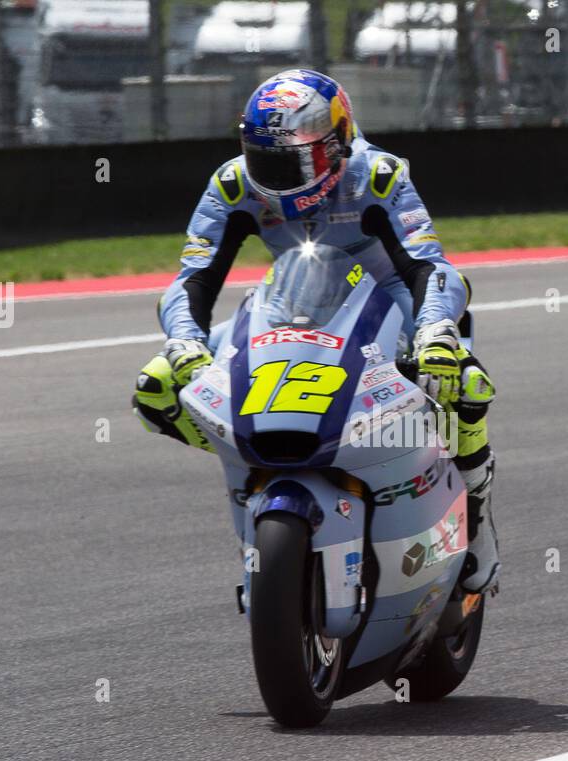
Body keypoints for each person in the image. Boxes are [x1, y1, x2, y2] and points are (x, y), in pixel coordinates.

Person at [131, 69, 500, 594]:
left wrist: (436, 331)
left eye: (302, 161)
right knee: (155, 390)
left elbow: (427, 265)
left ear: (340, 139)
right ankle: (253, 462)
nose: (280, 179)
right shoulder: (233, 184)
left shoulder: (379, 176)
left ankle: (476, 514)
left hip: (390, 301)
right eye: (268, 162)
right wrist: (185, 341)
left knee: (464, 383)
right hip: (296, 298)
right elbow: (194, 278)